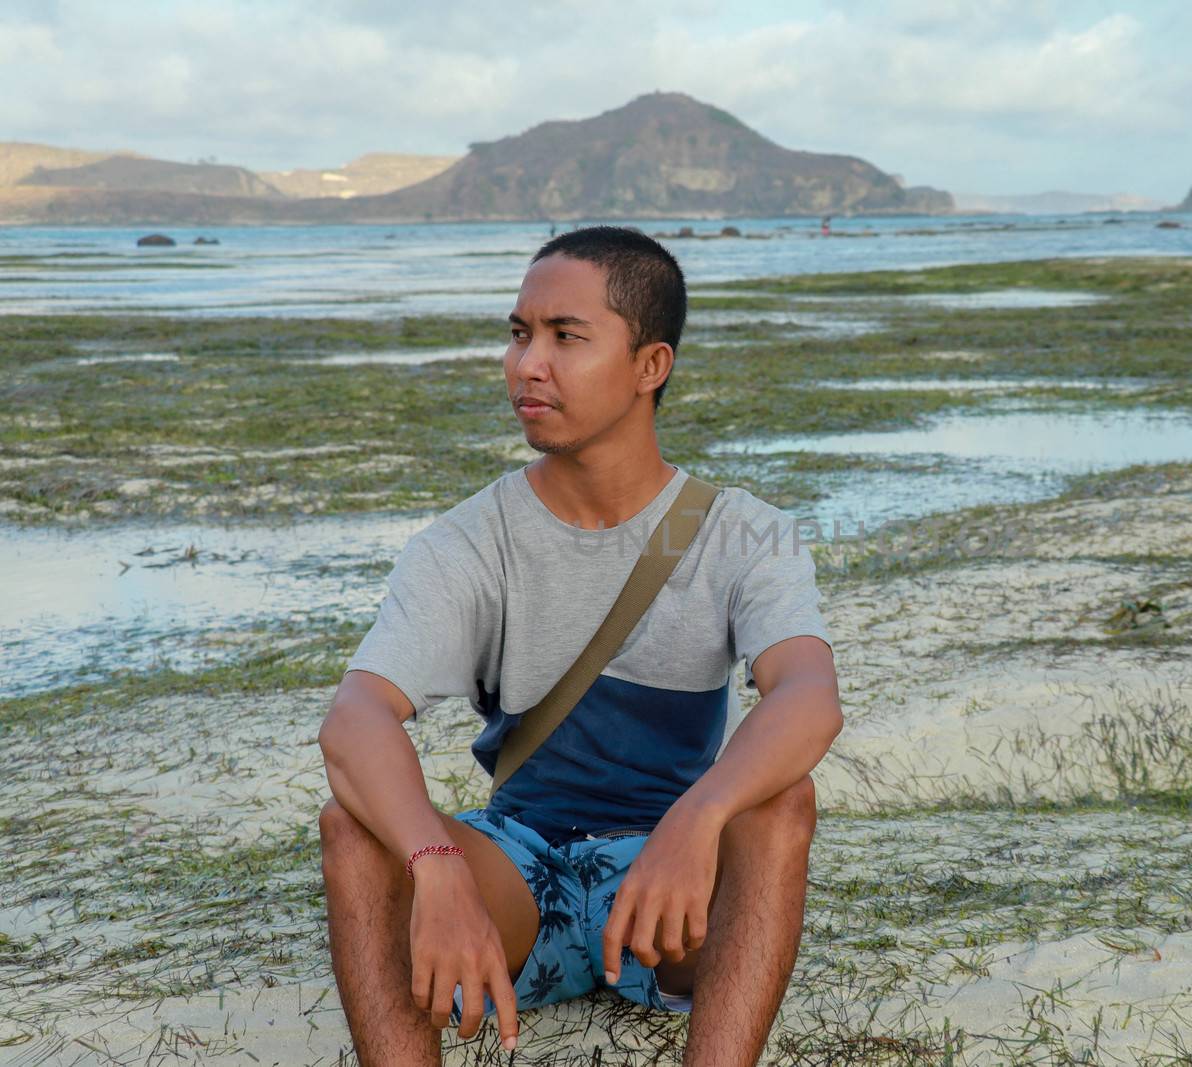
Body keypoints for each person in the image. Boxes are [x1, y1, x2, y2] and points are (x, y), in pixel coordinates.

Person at [317, 225, 842, 1066]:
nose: (528, 363)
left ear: (650, 366)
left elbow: (808, 695)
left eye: (566, 336)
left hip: (674, 887)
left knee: (780, 805)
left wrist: (700, 817)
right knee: (353, 832)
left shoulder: (745, 533)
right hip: (519, 866)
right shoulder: (469, 541)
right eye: (519, 333)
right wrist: (439, 861)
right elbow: (355, 718)